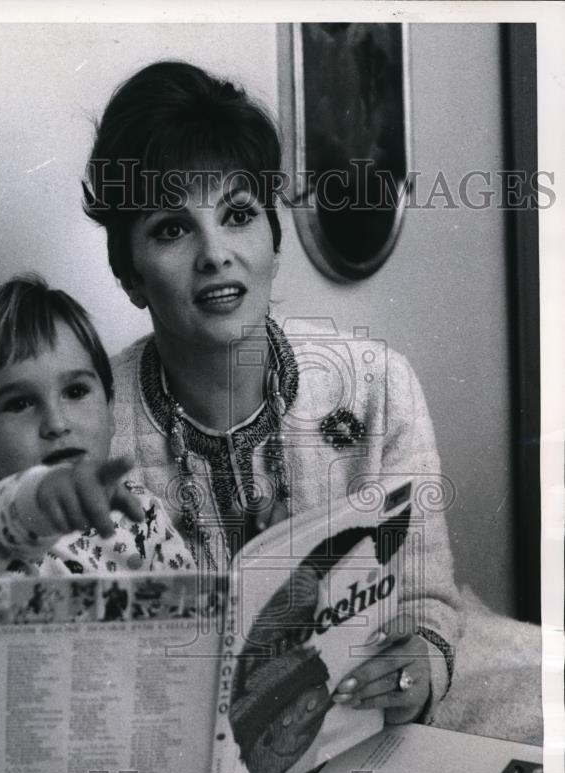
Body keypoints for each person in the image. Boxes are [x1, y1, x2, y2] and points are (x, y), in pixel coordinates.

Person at [83, 60, 462, 737]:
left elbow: (424, 603)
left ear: (274, 239)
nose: (214, 253)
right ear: (128, 274)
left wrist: (417, 670)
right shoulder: (89, 426)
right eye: (171, 228)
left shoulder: (376, 385)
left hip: (351, 745)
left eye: (236, 215)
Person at [0, 274, 194, 773]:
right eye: (19, 403)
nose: (56, 422)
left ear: (112, 410)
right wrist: (47, 495)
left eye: (75, 391)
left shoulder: (142, 512)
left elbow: (190, 642)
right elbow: (1, 519)